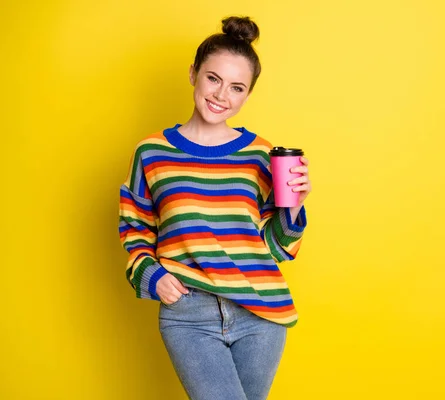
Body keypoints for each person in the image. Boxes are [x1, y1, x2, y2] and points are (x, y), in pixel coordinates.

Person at [118, 15, 311, 400]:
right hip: (189, 314)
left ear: (247, 95)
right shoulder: (152, 152)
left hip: (261, 313)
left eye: (236, 87)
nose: (222, 95)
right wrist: (151, 276)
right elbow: (135, 227)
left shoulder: (260, 154)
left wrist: (294, 208)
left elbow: (275, 246)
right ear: (193, 74)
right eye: (213, 79)